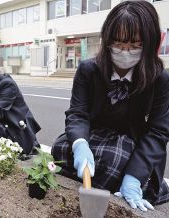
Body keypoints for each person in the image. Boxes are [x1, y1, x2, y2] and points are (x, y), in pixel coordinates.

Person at [51, 0, 169, 212]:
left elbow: (158, 132)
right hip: (95, 133)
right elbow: (78, 113)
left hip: (131, 140)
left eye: (135, 45)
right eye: (117, 43)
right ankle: (105, 173)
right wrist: (80, 144)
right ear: (107, 40)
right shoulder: (89, 69)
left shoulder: (159, 78)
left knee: (112, 162)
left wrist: (134, 176)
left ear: (150, 44)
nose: (125, 51)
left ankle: (139, 181)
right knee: (59, 149)